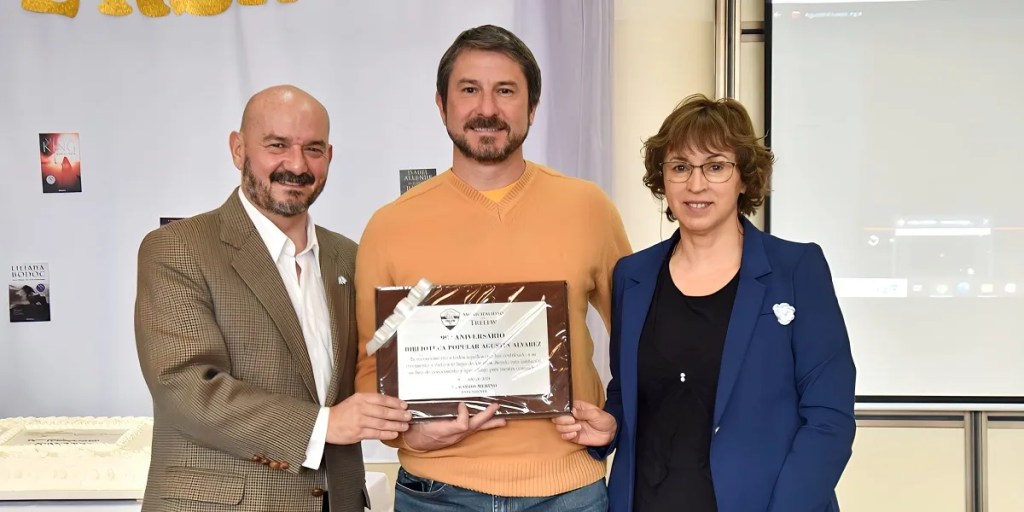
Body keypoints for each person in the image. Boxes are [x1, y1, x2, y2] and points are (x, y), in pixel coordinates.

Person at [354, 25, 632, 511]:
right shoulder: (389, 226)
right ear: (442, 105)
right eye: (469, 91)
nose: (487, 109)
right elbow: (371, 362)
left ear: (532, 107)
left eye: (505, 91)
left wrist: (619, 418)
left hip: (568, 490)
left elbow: (640, 339)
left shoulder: (589, 208)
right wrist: (409, 437)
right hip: (435, 493)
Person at [553, 94, 857, 511]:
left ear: (745, 177)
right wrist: (611, 427)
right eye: (680, 167)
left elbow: (829, 420)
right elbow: (631, 392)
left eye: (715, 166)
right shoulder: (633, 276)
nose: (696, 185)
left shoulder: (796, 268)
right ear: (662, 180)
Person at [134, 85, 412, 512]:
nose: (296, 165)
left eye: (313, 149)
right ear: (238, 149)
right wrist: (324, 425)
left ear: (330, 157)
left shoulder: (349, 256)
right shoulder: (178, 249)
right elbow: (185, 385)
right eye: (277, 145)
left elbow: (377, 363)